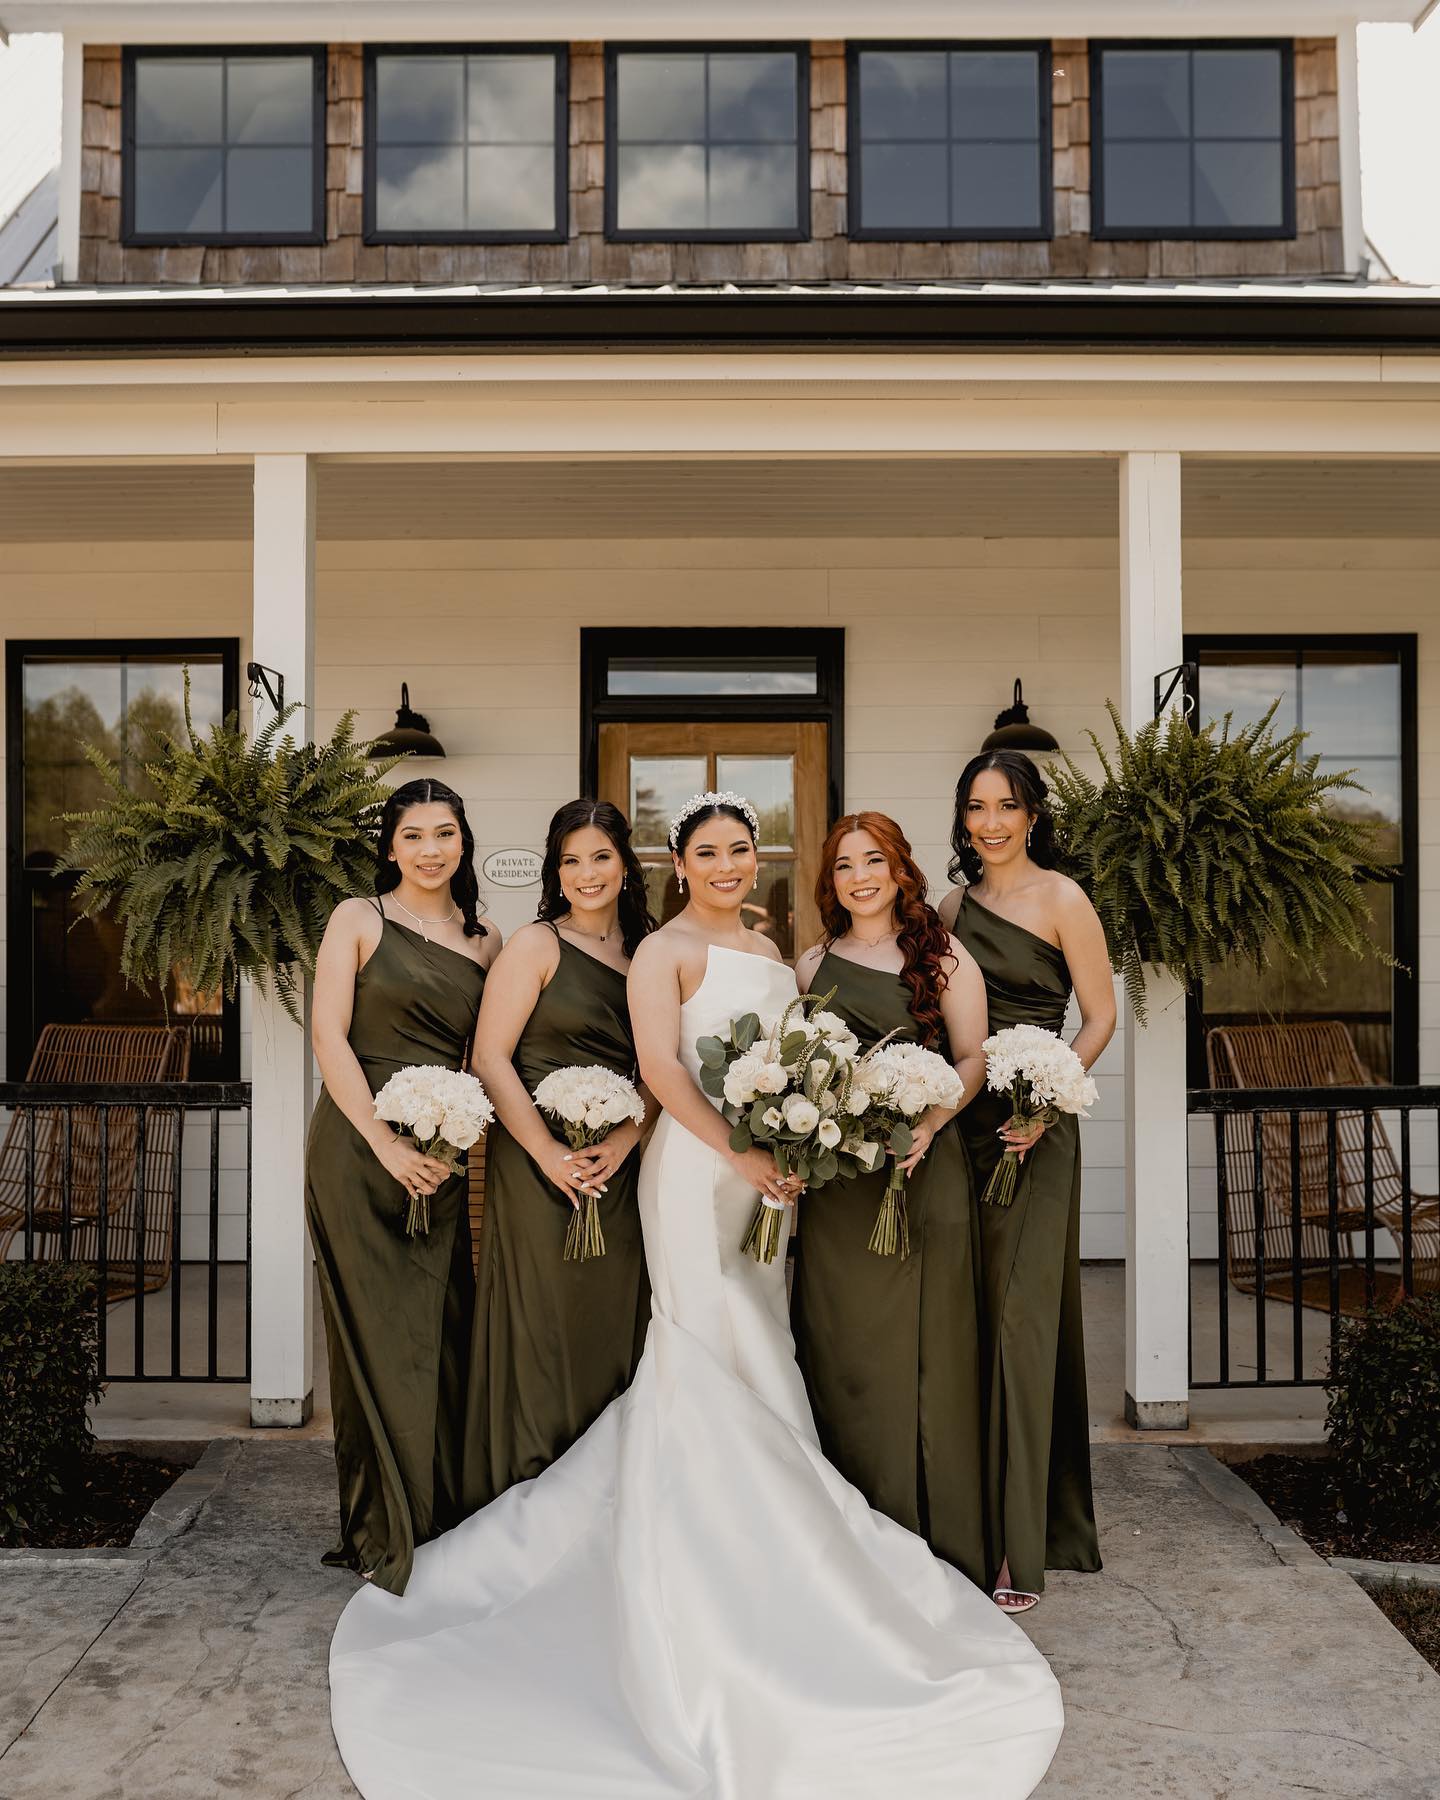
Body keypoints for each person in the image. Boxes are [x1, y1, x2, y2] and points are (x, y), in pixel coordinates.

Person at [328, 792, 1062, 1800]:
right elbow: (664, 1073)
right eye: (705, 852)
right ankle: (705, 1562)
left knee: (764, 1336)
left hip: (768, 1179)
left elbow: (800, 1063)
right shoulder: (661, 953)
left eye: (738, 851)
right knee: (701, 1345)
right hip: (693, 1177)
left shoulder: (776, 951)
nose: (724, 865)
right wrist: (744, 1150)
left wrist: (791, 1148)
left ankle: (773, 1551)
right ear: (674, 863)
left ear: (754, 860)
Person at [305, 778, 499, 1596]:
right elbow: (328, 1036)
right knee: (370, 1338)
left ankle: (435, 1511)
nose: (430, 850)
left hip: (443, 1150)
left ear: (463, 842)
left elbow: (490, 1055)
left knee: (438, 1328)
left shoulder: (488, 941)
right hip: (358, 1149)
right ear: (389, 847)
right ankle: (375, 1523)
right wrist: (382, 1143)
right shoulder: (359, 919)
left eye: (445, 833)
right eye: (413, 835)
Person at [938, 749, 1117, 1615]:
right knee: (970, 1319)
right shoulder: (950, 907)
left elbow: (1102, 1015)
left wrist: (1047, 1101)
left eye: (1006, 805)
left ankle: (1023, 1541)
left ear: (1034, 813)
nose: (992, 821)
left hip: (1036, 1132)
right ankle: (970, 1519)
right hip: (964, 1130)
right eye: (977, 806)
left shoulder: (1063, 899)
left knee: (1022, 1324)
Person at [791, 811, 990, 1584]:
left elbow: (971, 1055)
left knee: (927, 1352)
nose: (859, 877)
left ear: (901, 868)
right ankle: (853, 1533)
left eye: (872, 860)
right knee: (845, 1351)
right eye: (843, 866)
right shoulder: (811, 964)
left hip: (919, 1169)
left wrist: (933, 1123)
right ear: (830, 881)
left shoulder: (942, 955)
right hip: (841, 1188)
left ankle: (939, 1535)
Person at [463, 799, 656, 1509]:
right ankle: (530, 1495)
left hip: (619, 1163)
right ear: (554, 869)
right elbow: (490, 1057)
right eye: (570, 859)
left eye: (600, 856)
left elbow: (662, 1069)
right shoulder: (536, 945)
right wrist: (546, 1152)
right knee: (543, 1326)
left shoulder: (649, 951)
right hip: (538, 1167)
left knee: (612, 1323)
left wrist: (626, 1138)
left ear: (626, 864)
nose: (586, 873)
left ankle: (607, 1498)